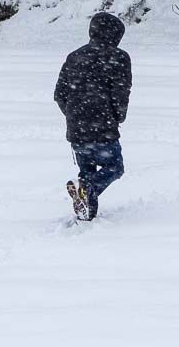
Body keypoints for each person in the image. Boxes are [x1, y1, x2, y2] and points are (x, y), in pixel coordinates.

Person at [54, 12, 133, 221]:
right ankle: (87, 190)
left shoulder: (74, 56)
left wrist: (73, 114)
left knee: (87, 172)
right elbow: (121, 92)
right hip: (103, 125)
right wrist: (117, 116)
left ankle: (87, 214)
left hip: (77, 129)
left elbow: (59, 94)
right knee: (115, 168)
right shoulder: (119, 57)